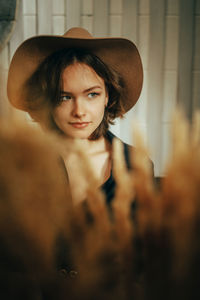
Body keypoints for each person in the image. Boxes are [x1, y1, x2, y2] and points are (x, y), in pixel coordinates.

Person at [7, 27, 144, 207]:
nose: (79, 111)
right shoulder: (23, 163)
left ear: (107, 96)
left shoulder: (136, 164)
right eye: (64, 97)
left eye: (92, 94)